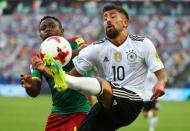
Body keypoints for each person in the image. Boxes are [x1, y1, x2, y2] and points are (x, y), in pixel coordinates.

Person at [30, 4, 168, 131]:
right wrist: (46, 71)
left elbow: (162, 74)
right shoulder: (97, 48)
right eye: (105, 18)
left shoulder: (142, 44)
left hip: (131, 101)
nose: (108, 20)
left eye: (113, 16)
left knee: (101, 83)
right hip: (106, 105)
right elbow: (70, 79)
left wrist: (161, 83)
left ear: (125, 23)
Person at [20, 16, 92, 131]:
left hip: (80, 110)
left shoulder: (74, 42)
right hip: (57, 114)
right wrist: (29, 85)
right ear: (40, 35)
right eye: (43, 28)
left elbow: (88, 50)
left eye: (52, 26)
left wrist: (62, 55)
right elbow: (34, 91)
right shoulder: (38, 59)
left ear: (62, 31)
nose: (48, 29)